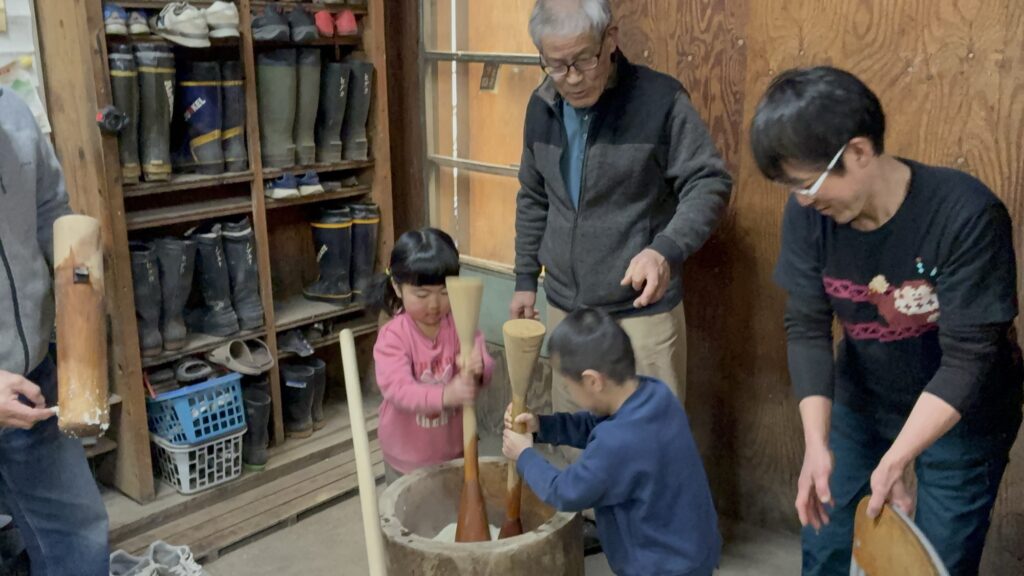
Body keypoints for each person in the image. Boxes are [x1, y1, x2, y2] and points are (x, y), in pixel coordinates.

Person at [751, 66, 1022, 574]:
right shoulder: (809, 214)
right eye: (791, 187)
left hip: (965, 410)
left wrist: (896, 459)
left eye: (808, 183)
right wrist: (816, 445)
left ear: (858, 151)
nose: (803, 199)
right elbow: (807, 326)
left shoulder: (965, 213)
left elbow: (969, 359)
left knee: (935, 561)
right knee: (826, 537)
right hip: (865, 397)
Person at [511, 0, 733, 412]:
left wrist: (664, 250)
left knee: (649, 439)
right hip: (566, 310)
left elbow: (709, 182)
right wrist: (525, 277)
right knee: (574, 436)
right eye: (556, 65)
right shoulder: (541, 106)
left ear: (610, 39)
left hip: (640, 311)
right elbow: (534, 196)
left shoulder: (660, 100)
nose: (572, 78)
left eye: (584, 59)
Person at [502, 308, 719, 575]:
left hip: (661, 566)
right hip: (693, 550)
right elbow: (599, 425)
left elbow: (565, 491)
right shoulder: (655, 394)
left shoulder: (618, 444)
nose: (569, 392)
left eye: (569, 385)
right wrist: (542, 426)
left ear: (593, 381)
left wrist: (524, 455)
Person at [0, 88, 110, 573]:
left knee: (78, 538)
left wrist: (80, 294)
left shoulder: (12, 112)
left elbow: (51, 211)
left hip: (32, 383)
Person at [367, 228, 494, 484]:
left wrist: (480, 366)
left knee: (454, 505)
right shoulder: (394, 336)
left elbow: (484, 363)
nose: (435, 305)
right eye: (422, 295)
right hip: (406, 458)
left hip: (455, 450)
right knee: (410, 508)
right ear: (397, 287)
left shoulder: (461, 322)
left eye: (445, 292)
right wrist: (446, 395)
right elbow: (398, 390)